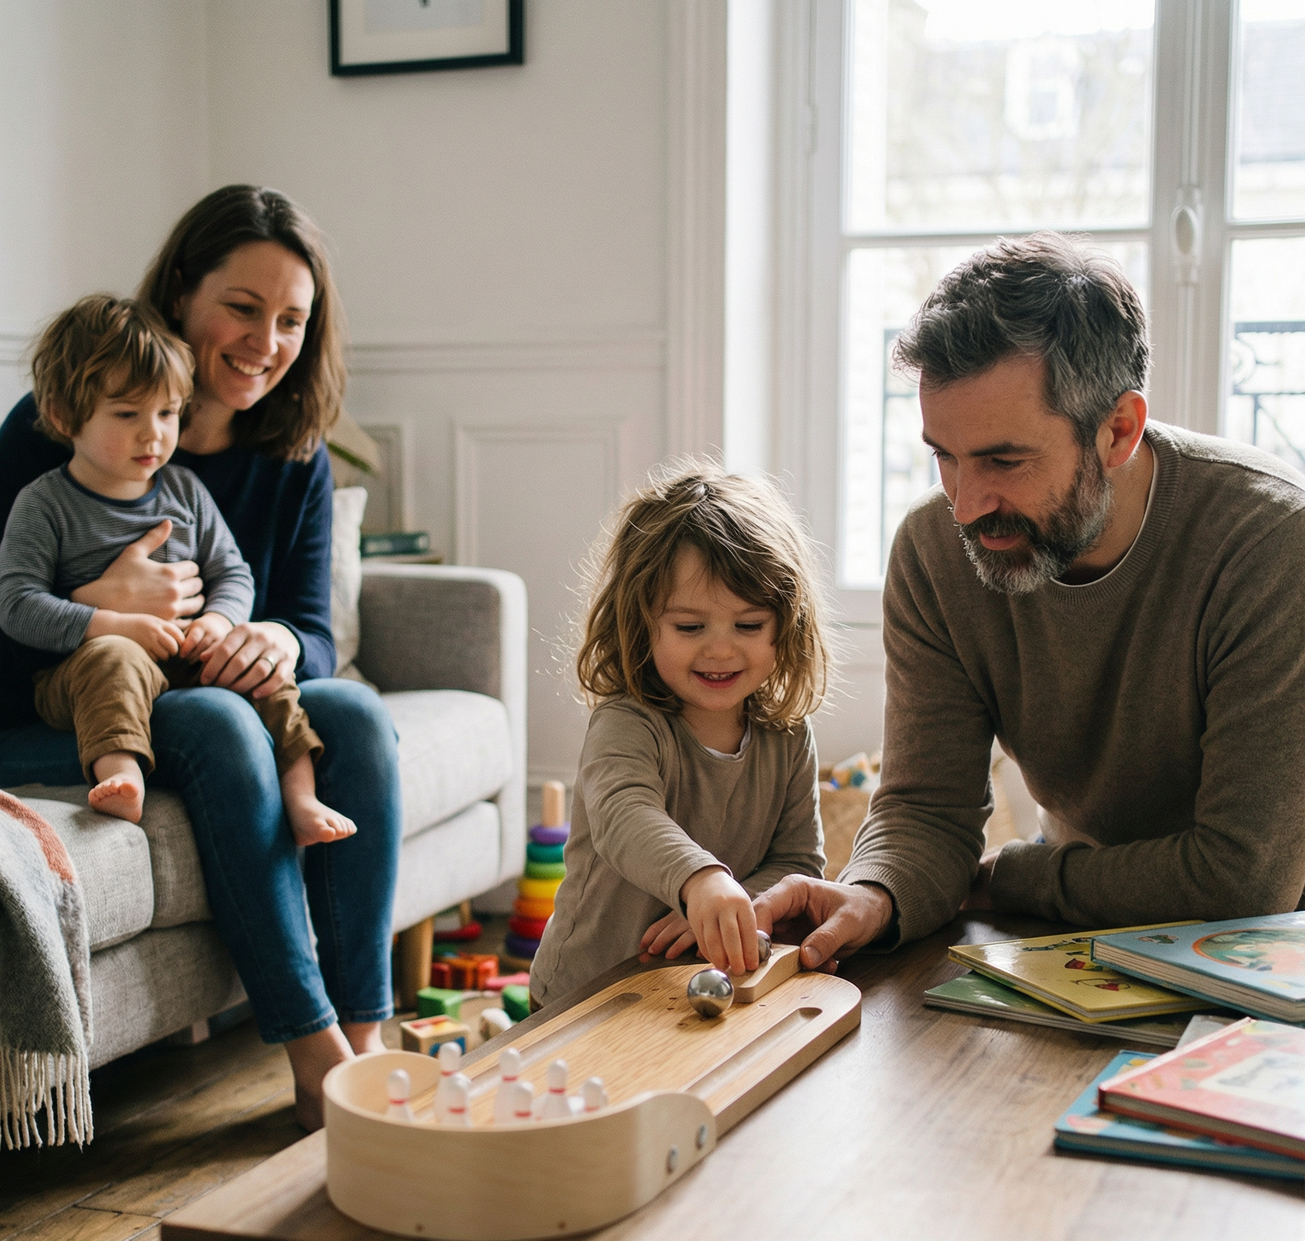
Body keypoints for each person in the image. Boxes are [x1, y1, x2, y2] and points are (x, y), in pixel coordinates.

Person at [0, 185, 401, 1130]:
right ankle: (313, 1054)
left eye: (291, 321)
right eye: (242, 306)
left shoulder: (291, 453)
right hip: (47, 725)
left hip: (200, 686)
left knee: (353, 712)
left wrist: (270, 636)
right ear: (181, 292)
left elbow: (313, 627)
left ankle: (370, 1039)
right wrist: (98, 607)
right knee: (220, 720)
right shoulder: (60, 421)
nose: (265, 342)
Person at [752, 231, 1305, 974]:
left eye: (1002, 460)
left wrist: (1005, 875)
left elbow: (1245, 881)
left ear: (1118, 430)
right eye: (943, 454)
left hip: (1273, 955)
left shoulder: (1270, 541)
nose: (966, 503)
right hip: (1078, 928)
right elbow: (925, 807)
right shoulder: (931, 550)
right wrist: (877, 891)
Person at [0, 293, 350, 846]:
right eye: (127, 414)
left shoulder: (184, 489)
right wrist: (109, 623)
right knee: (113, 660)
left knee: (265, 676)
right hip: (88, 672)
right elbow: (15, 604)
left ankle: (302, 796)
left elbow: (233, 572)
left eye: (166, 413)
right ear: (66, 417)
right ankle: (121, 772)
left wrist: (219, 619)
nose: (153, 434)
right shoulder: (44, 504)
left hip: (186, 659)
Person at [528, 463, 830, 1008]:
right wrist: (700, 882)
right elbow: (625, 815)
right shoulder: (627, 721)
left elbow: (799, 862)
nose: (720, 650)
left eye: (748, 625)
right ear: (642, 622)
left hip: (697, 986)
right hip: (586, 990)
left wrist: (730, 906)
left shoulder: (787, 735)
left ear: (786, 623)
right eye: (690, 628)